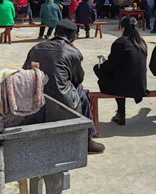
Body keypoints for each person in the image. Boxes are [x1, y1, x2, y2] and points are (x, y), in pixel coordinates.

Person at [23, 20, 105, 154]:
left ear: (55, 33)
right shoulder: (73, 52)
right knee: (83, 93)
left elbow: (26, 72)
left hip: (36, 94)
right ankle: (87, 139)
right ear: (73, 39)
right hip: (63, 100)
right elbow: (78, 79)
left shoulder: (36, 48)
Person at [94, 17, 148, 125]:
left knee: (99, 69)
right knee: (121, 74)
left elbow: (110, 66)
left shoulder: (121, 42)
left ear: (122, 28)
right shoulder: (141, 42)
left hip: (124, 86)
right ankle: (120, 113)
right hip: (140, 86)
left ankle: (120, 112)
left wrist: (100, 65)